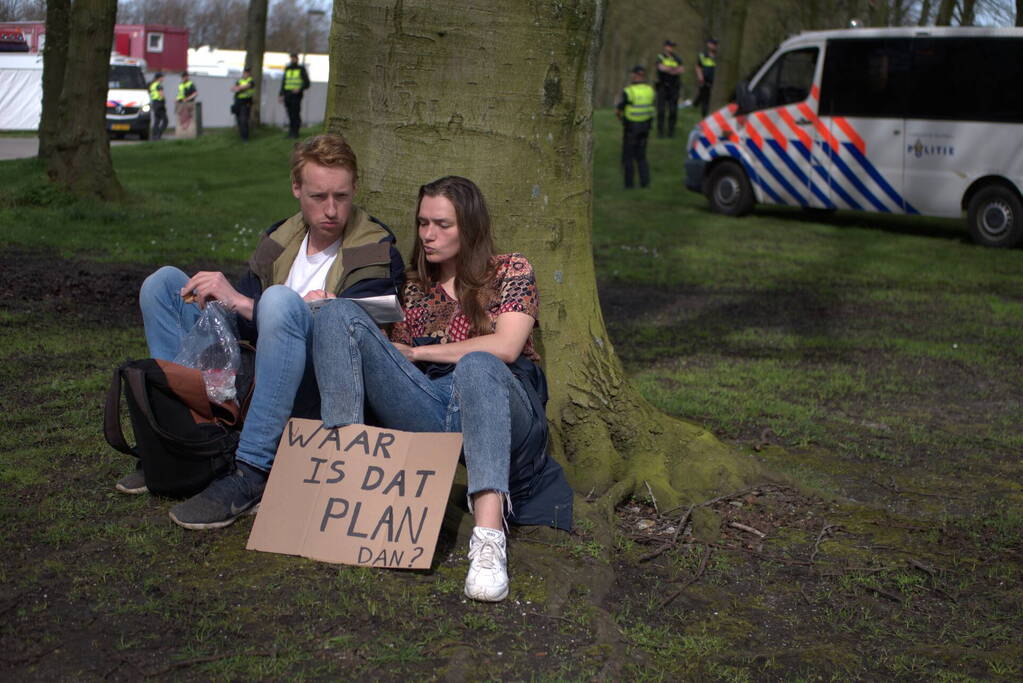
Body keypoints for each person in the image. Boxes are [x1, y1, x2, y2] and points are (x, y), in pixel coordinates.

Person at [115, 134, 405, 531]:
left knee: (280, 301)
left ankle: (253, 469)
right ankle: (177, 443)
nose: (332, 210)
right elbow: (244, 318)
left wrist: (257, 303)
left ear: (354, 189)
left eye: (342, 195)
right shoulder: (281, 238)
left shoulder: (374, 248)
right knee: (163, 285)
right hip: (257, 370)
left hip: (314, 387)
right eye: (319, 196)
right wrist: (223, 303)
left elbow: (355, 334)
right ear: (296, 189)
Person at [312, 176, 573, 603]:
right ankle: (347, 485)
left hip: (505, 411)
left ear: (469, 227)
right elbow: (387, 356)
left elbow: (507, 346)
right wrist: (343, 316)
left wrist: (420, 355)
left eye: (442, 225)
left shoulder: (511, 269)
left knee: (479, 363)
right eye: (422, 223)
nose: (428, 235)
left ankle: (489, 542)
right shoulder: (412, 286)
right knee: (338, 312)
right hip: (435, 409)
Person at [616, 65, 655, 189]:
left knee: (628, 157)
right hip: (645, 127)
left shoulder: (629, 91)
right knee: (641, 156)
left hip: (631, 128)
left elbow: (619, 110)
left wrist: (620, 118)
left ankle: (629, 184)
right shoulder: (650, 90)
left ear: (634, 75)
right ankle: (645, 182)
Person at [654, 39, 684, 138]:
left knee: (673, 111)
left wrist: (668, 69)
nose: (671, 48)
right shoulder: (660, 57)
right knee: (661, 110)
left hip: (674, 87)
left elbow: (681, 70)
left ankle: (671, 132)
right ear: (665, 47)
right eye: (669, 46)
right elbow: (661, 68)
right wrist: (672, 70)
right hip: (662, 86)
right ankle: (660, 132)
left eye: (672, 46)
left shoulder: (677, 58)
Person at [279, 53, 310, 139]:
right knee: (289, 114)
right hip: (287, 95)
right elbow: (284, 82)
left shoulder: (301, 69)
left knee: (295, 114)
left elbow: (307, 83)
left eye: (294, 58)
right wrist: (281, 94)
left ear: (297, 59)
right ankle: (291, 133)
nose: (293, 60)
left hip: (296, 96)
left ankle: (295, 132)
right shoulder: (288, 69)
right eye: (291, 58)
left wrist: (299, 89)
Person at [693, 38, 718, 118]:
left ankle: (697, 105)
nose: (713, 46)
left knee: (707, 97)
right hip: (704, 79)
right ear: (708, 44)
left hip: (714, 80)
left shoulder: (718, 57)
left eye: (714, 44)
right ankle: (703, 113)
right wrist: (700, 76)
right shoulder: (703, 55)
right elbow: (698, 66)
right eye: (711, 44)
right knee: (704, 97)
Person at [231, 67, 256, 141]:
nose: (245, 74)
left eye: (247, 73)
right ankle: (241, 135)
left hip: (246, 103)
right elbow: (233, 88)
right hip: (238, 103)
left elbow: (247, 86)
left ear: (249, 73)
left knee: (244, 120)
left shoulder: (251, 81)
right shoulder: (240, 80)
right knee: (239, 120)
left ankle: (245, 138)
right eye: (244, 72)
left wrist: (239, 87)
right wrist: (240, 87)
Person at [148, 72, 168, 141]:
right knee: (165, 121)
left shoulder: (152, 85)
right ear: (159, 78)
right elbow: (161, 94)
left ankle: (154, 136)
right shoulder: (159, 85)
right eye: (162, 77)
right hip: (159, 104)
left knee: (157, 121)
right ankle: (158, 135)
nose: (163, 78)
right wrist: (164, 100)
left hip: (154, 104)